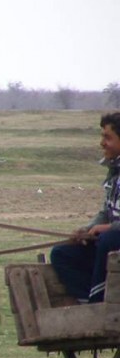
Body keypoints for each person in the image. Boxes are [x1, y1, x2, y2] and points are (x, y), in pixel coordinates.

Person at [50, 112, 120, 303]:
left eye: (107, 137)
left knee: (107, 239)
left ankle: (99, 302)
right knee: (62, 253)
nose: (102, 143)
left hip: (113, 241)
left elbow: (110, 226)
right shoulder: (115, 173)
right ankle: (87, 302)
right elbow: (107, 212)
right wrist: (87, 229)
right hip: (111, 242)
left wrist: (107, 229)